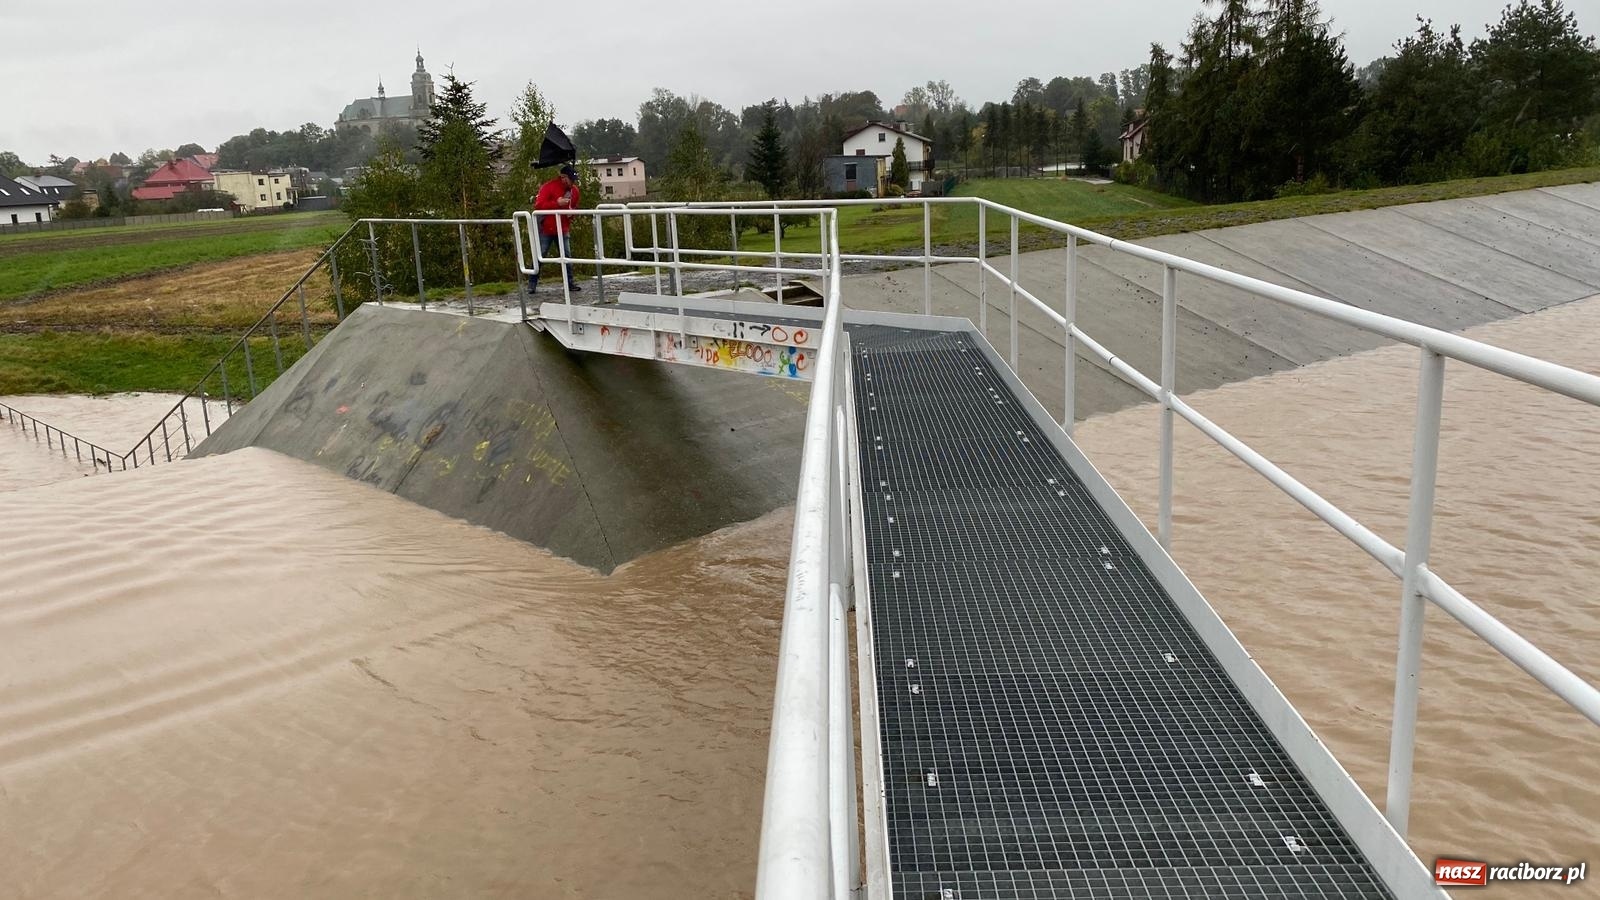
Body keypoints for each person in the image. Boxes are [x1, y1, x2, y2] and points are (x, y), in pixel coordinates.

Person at [529, 165, 582, 294]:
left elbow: (574, 207)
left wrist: (571, 214)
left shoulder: (575, 191)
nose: (572, 183)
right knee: (540, 256)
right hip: (546, 228)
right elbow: (538, 205)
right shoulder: (548, 187)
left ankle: (569, 283)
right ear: (563, 178)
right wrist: (556, 204)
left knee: (567, 257)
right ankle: (532, 284)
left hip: (562, 228)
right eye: (571, 180)